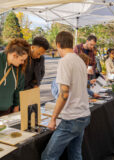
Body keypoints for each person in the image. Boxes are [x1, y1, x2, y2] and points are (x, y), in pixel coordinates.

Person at [42, 31, 90, 160]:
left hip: (73, 118)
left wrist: (53, 118)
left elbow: (64, 94)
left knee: (48, 157)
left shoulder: (64, 62)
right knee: (75, 154)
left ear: (58, 44)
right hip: (83, 115)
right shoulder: (79, 60)